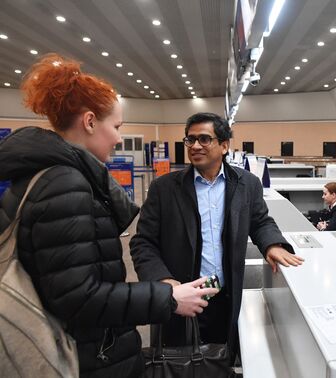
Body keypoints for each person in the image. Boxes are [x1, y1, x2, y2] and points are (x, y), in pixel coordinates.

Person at [0, 54, 218, 378]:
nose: (118, 138)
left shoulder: (47, 175)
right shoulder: (65, 185)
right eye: (115, 127)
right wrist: (169, 297)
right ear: (89, 122)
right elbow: (79, 298)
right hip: (86, 358)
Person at [130, 112, 304, 358]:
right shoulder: (164, 189)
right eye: (190, 140)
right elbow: (143, 243)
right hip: (182, 297)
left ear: (224, 145)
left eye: (204, 139)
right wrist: (164, 282)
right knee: (179, 364)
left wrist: (272, 244)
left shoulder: (247, 184)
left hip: (226, 296)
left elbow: (259, 220)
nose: (195, 146)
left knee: (222, 359)